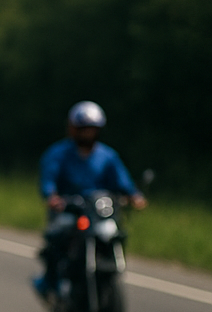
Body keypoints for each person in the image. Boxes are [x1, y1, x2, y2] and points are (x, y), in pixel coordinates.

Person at [33, 100, 146, 297]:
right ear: (73, 129)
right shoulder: (58, 154)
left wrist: (134, 196)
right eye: (83, 129)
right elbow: (48, 180)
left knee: (114, 233)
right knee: (57, 239)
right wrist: (52, 197)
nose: (87, 134)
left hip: (98, 211)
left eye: (91, 129)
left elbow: (122, 181)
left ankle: (110, 269)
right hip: (69, 211)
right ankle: (50, 282)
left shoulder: (107, 156)